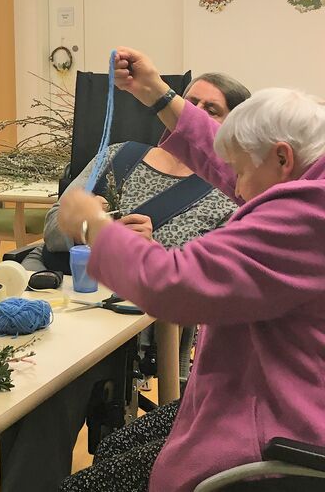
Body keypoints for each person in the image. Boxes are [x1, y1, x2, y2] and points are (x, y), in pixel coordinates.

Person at [57, 46, 325, 491]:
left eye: (240, 172)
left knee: (89, 484)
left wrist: (93, 226)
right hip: (270, 393)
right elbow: (229, 162)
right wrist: (156, 94)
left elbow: (174, 286)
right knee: (119, 446)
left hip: (279, 428)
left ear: (282, 159)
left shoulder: (307, 218)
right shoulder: (304, 174)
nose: (233, 185)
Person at [25, 72, 250, 385]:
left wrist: (147, 248)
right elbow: (52, 227)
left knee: (53, 385)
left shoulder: (230, 198)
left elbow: (205, 281)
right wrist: (90, 227)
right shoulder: (117, 155)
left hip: (122, 328)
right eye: (189, 102)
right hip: (56, 300)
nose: (194, 113)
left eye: (211, 110)